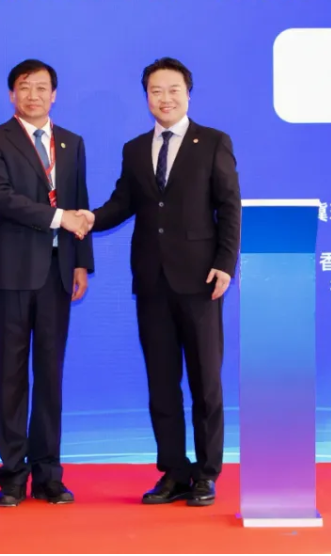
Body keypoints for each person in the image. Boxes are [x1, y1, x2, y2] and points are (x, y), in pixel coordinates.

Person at [80, 57, 241, 507]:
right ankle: (173, 471)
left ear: (188, 93)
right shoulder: (135, 149)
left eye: (173, 90)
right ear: (146, 97)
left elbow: (229, 206)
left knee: (205, 382)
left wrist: (225, 262)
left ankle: (206, 474)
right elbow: (122, 204)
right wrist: (89, 218)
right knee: (162, 382)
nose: (164, 98)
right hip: (152, 281)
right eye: (155, 91)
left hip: (202, 280)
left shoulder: (213, 142)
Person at [0, 59, 94, 507]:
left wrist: (81, 263)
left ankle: (48, 475)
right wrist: (60, 218)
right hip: (12, 273)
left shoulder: (72, 142)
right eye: (24, 87)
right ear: (12, 94)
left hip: (58, 273)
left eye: (42, 88)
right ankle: (11, 476)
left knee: (49, 375)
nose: (33, 96)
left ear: (54, 94)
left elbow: (79, 201)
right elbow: (2, 199)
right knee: (9, 375)